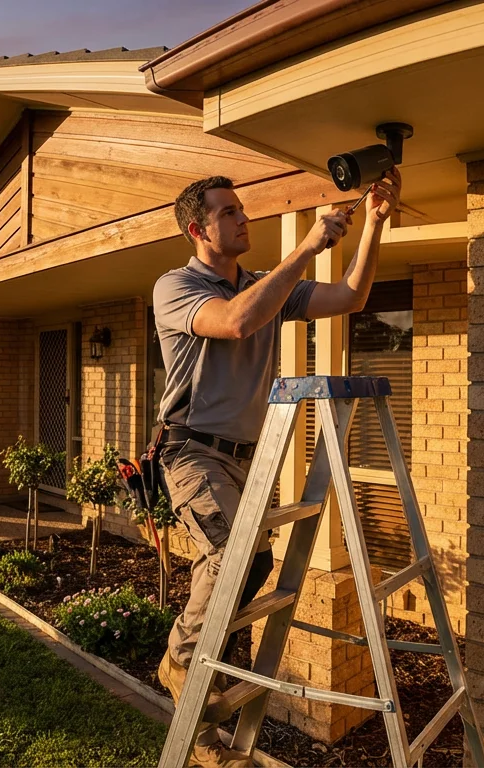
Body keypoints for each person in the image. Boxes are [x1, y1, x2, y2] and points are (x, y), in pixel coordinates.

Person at [151, 168, 401, 767]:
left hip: (244, 458)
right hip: (191, 452)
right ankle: (181, 660)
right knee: (231, 557)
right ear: (198, 228)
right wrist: (307, 247)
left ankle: (204, 716)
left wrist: (372, 225)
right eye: (229, 212)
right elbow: (235, 320)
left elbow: (350, 298)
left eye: (242, 210)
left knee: (249, 572)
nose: (244, 219)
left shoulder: (267, 286)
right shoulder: (177, 286)